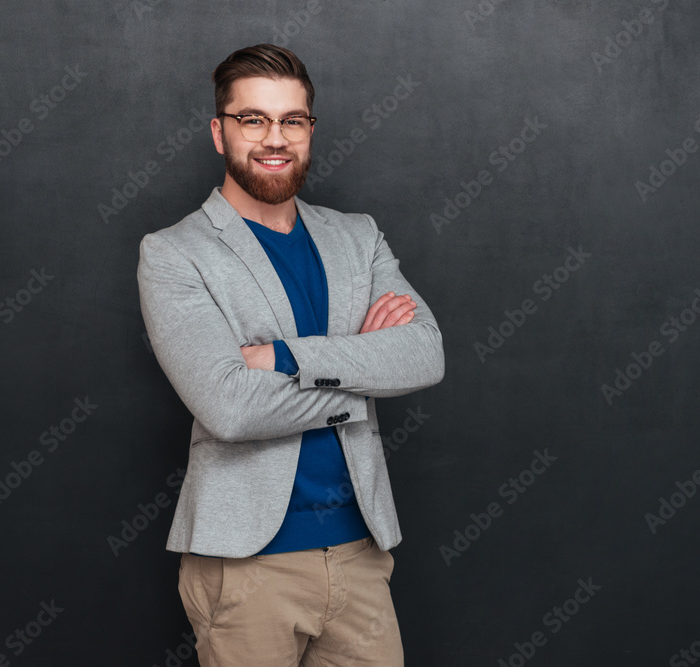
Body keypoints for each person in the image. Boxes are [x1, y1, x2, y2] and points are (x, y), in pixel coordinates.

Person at [137, 44, 444, 666]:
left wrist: (280, 356)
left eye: (292, 121)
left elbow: (424, 354)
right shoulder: (174, 253)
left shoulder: (358, 236)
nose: (274, 137)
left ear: (309, 130)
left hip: (360, 554)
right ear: (219, 133)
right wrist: (362, 367)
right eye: (253, 119)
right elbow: (228, 408)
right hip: (245, 567)